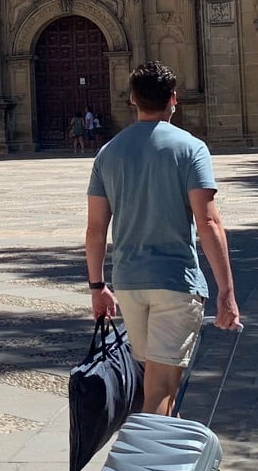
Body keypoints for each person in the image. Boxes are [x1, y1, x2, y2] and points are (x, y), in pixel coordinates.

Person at [85, 62, 243, 416]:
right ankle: (143, 466)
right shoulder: (191, 149)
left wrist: (98, 286)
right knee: (159, 388)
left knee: (155, 383)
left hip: (128, 285)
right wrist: (227, 292)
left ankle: (162, 462)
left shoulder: (108, 153)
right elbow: (207, 221)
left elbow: (95, 229)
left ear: (132, 99)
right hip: (175, 282)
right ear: (174, 99)